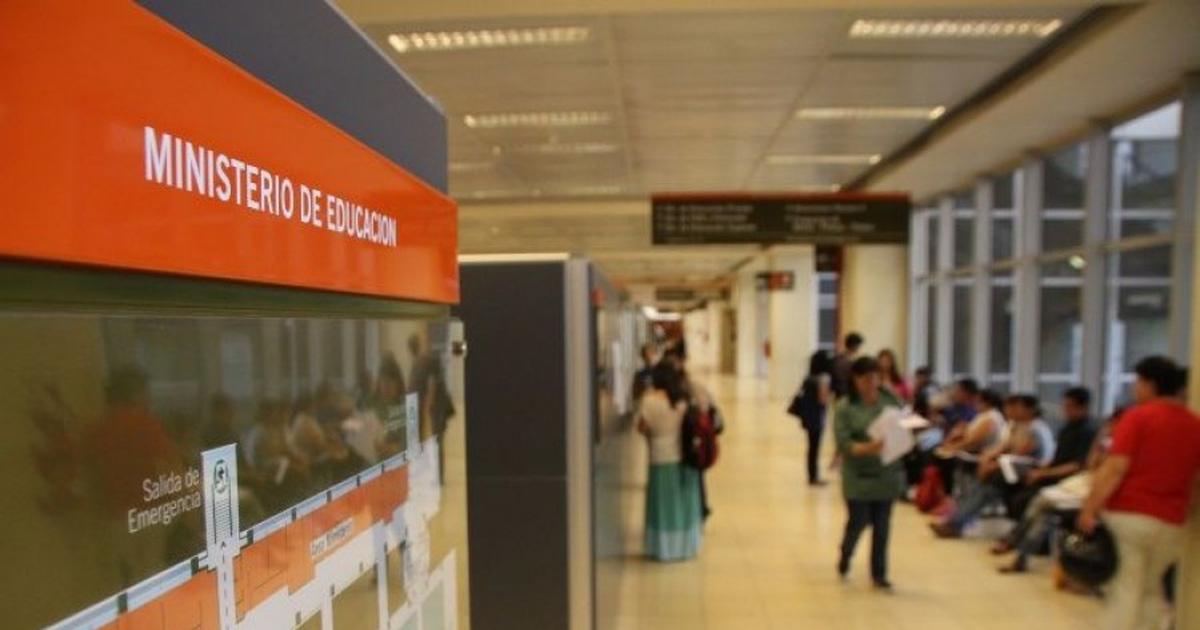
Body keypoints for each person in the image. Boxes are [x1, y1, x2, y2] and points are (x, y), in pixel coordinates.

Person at [1078, 356, 1200, 630]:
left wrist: (1090, 507)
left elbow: (1115, 468)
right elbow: (1195, 482)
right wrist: (1185, 514)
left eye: (1138, 382)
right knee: (1150, 590)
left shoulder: (1139, 417)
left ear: (1150, 384)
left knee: (1122, 590)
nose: (1135, 388)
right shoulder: (1194, 425)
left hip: (1129, 515)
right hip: (1171, 522)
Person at [930, 394, 1055, 538]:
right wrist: (987, 459)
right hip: (1010, 468)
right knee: (984, 486)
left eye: (1016, 407)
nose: (1010, 410)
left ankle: (955, 523)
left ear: (1029, 409)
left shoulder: (1035, 428)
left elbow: (1020, 455)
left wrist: (992, 465)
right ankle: (954, 522)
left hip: (1029, 470)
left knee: (987, 484)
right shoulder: (1015, 425)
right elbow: (1004, 447)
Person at [834, 356, 905, 590]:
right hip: (859, 475)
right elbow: (845, 444)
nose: (872, 382)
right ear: (854, 380)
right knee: (859, 521)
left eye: (876, 377)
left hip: (887, 472)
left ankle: (879, 574)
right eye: (866, 378)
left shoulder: (889, 399)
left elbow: (903, 420)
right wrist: (868, 447)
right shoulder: (845, 407)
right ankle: (846, 553)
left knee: (883, 527)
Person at [637, 364, 702, 561]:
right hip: (684, 459)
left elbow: (641, 428)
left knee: (663, 507)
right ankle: (685, 547)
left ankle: (663, 548)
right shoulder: (683, 401)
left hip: (660, 459)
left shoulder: (648, 402)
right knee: (684, 505)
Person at [794, 350, 834, 486]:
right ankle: (814, 477)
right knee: (815, 448)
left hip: (808, 417)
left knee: (811, 448)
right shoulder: (823, 379)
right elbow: (823, 400)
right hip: (817, 418)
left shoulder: (809, 378)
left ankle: (812, 475)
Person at [831, 332, 865, 399]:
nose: (858, 349)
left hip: (845, 391)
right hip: (845, 392)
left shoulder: (841, 359)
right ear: (854, 346)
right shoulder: (843, 360)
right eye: (858, 346)